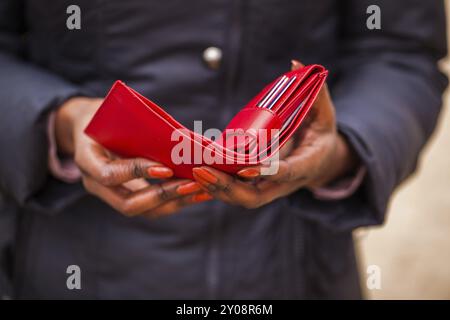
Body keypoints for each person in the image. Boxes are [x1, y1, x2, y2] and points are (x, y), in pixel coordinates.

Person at [0, 0, 447, 299]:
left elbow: (397, 48)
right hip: (64, 265)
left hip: (294, 270)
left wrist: (342, 148)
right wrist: (60, 121)